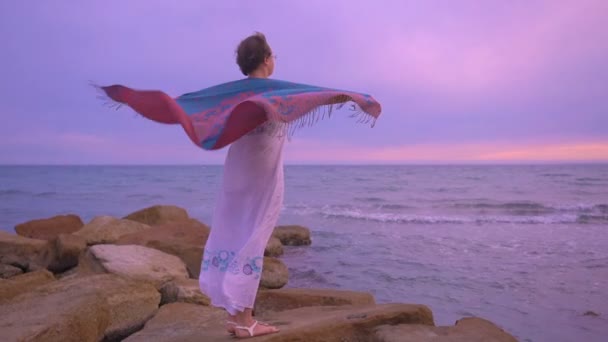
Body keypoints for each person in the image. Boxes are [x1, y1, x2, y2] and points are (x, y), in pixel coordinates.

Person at [198, 32, 283, 338]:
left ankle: (235, 317)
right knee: (252, 241)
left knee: (235, 236)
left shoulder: (234, 97)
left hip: (236, 176)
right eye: (273, 56)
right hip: (261, 179)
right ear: (265, 59)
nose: (275, 61)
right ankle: (246, 322)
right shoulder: (277, 94)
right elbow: (309, 100)